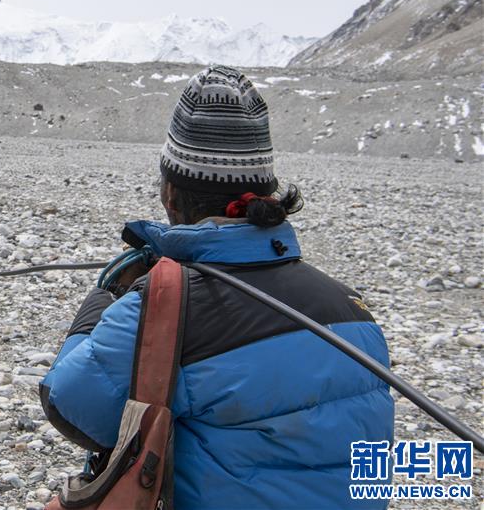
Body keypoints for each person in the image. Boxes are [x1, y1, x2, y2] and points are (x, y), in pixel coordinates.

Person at [40, 66, 394, 509]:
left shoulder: (165, 307)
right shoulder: (353, 310)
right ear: (267, 194)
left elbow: (71, 408)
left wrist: (101, 303)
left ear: (171, 193)